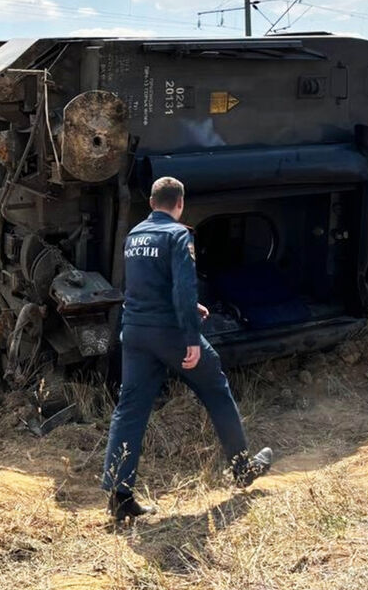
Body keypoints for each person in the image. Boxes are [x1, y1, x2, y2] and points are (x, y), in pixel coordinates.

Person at [102, 177, 273, 521]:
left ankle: (120, 497)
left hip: (135, 332)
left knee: (130, 409)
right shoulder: (179, 235)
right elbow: (182, 286)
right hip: (170, 334)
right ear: (179, 204)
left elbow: (143, 286)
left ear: (152, 203)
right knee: (216, 389)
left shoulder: (135, 236)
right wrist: (192, 338)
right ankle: (242, 468)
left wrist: (189, 307)